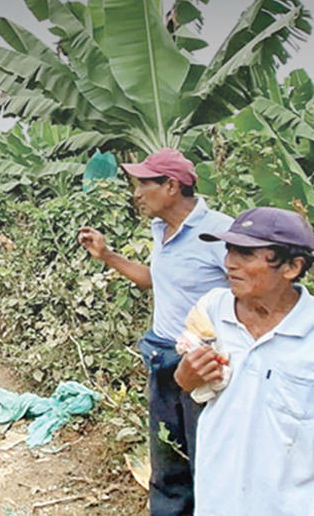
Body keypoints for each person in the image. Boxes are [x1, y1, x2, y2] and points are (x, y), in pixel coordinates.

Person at [174, 206, 314, 516]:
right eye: (229, 249)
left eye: (245, 253)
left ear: (292, 267)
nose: (229, 263)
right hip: (216, 505)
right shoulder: (212, 311)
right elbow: (190, 386)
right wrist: (187, 376)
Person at [77, 148, 232, 516]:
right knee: (167, 460)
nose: (136, 193)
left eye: (143, 184)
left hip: (201, 364)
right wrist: (108, 256)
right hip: (162, 357)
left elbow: (251, 291)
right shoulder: (162, 229)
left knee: (205, 458)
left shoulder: (218, 233)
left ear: (172, 186)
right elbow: (154, 282)